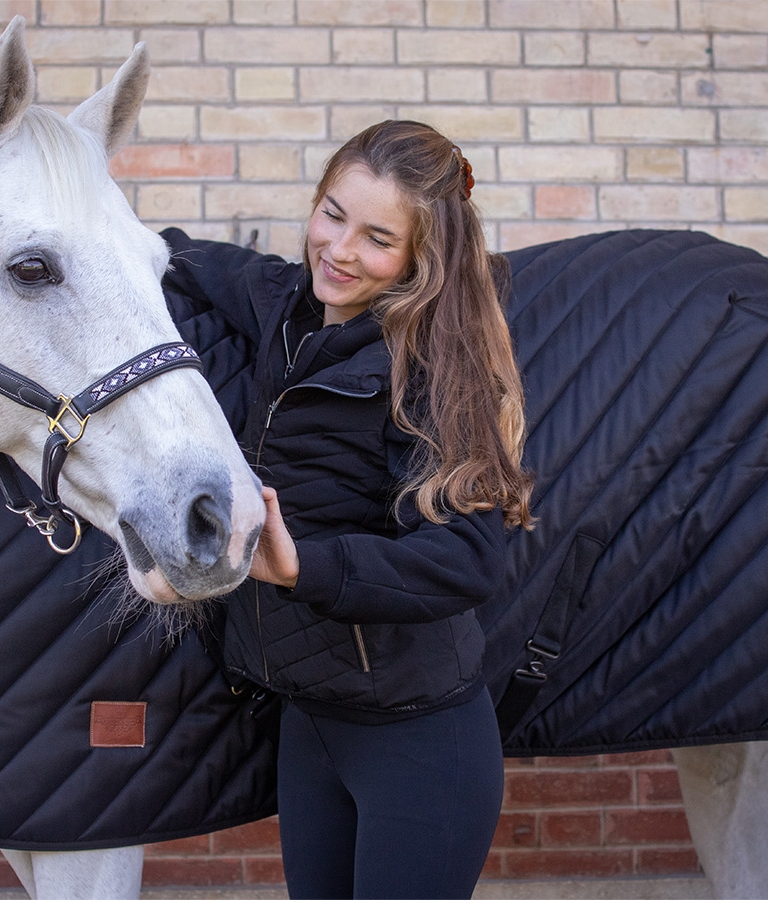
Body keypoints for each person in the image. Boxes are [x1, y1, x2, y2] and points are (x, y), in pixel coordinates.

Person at [161, 119, 533, 900]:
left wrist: (308, 567)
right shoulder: (283, 306)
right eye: (332, 214)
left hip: (419, 742)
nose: (339, 249)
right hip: (311, 724)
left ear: (419, 258)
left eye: (377, 238)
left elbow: (468, 560)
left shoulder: (433, 373)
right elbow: (179, 259)